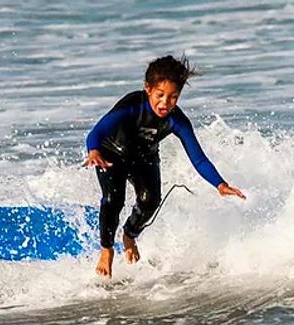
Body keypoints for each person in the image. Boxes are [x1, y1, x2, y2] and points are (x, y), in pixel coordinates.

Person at [83, 55, 245, 279]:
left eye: (173, 97)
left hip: (144, 158)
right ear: (148, 89)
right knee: (113, 199)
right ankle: (106, 250)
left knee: (150, 200)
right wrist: (94, 151)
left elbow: (198, 159)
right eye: (160, 95)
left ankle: (129, 235)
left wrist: (220, 184)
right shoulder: (132, 106)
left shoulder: (177, 120)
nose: (165, 103)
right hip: (110, 154)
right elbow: (96, 132)